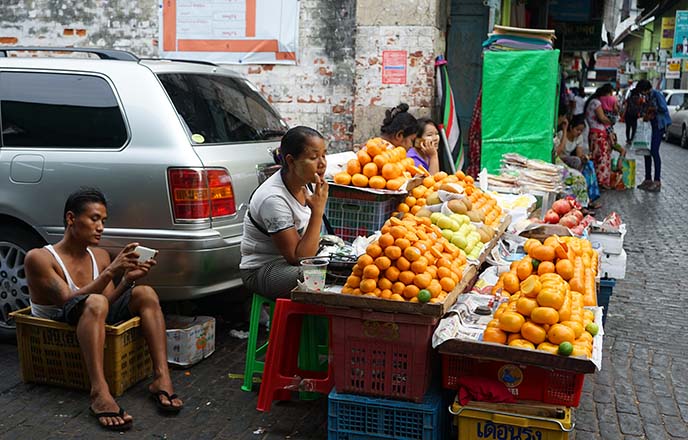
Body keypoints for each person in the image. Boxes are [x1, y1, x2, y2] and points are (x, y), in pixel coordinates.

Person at [24, 188, 183, 431]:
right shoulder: (39, 258)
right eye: (94, 219)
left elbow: (108, 300)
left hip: (92, 316)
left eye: (103, 221)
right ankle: (99, 391)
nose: (100, 227)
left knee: (145, 293)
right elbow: (68, 300)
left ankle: (162, 377)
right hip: (59, 321)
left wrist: (128, 280)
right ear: (71, 219)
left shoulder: (99, 255)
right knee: (95, 302)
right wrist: (111, 272)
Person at [239, 126, 328, 298]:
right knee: (318, 277)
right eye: (313, 157)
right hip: (263, 269)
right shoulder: (273, 199)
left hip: (293, 263)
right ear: (291, 161)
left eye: (324, 155)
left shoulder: (307, 182)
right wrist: (317, 211)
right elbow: (299, 259)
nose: (322, 163)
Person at [584, 84, 626, 189]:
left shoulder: (593, 101)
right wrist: (611, 121)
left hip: (595, 133)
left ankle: (598, 180)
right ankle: (601, 181)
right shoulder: (596, 103)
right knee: (602, 158)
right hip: (598, 134)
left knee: (598, 156)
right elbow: (602, 118)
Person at [635, 79, 671, 192]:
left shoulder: (657, 94)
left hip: (658, 126)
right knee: (647, 151)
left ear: (646, 89)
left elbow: (664, 108)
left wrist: (652, 109)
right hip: (650, 126)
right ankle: (648, 179)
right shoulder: (647, 96)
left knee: (654, 151)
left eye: (642, 91)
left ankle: (657, 181)